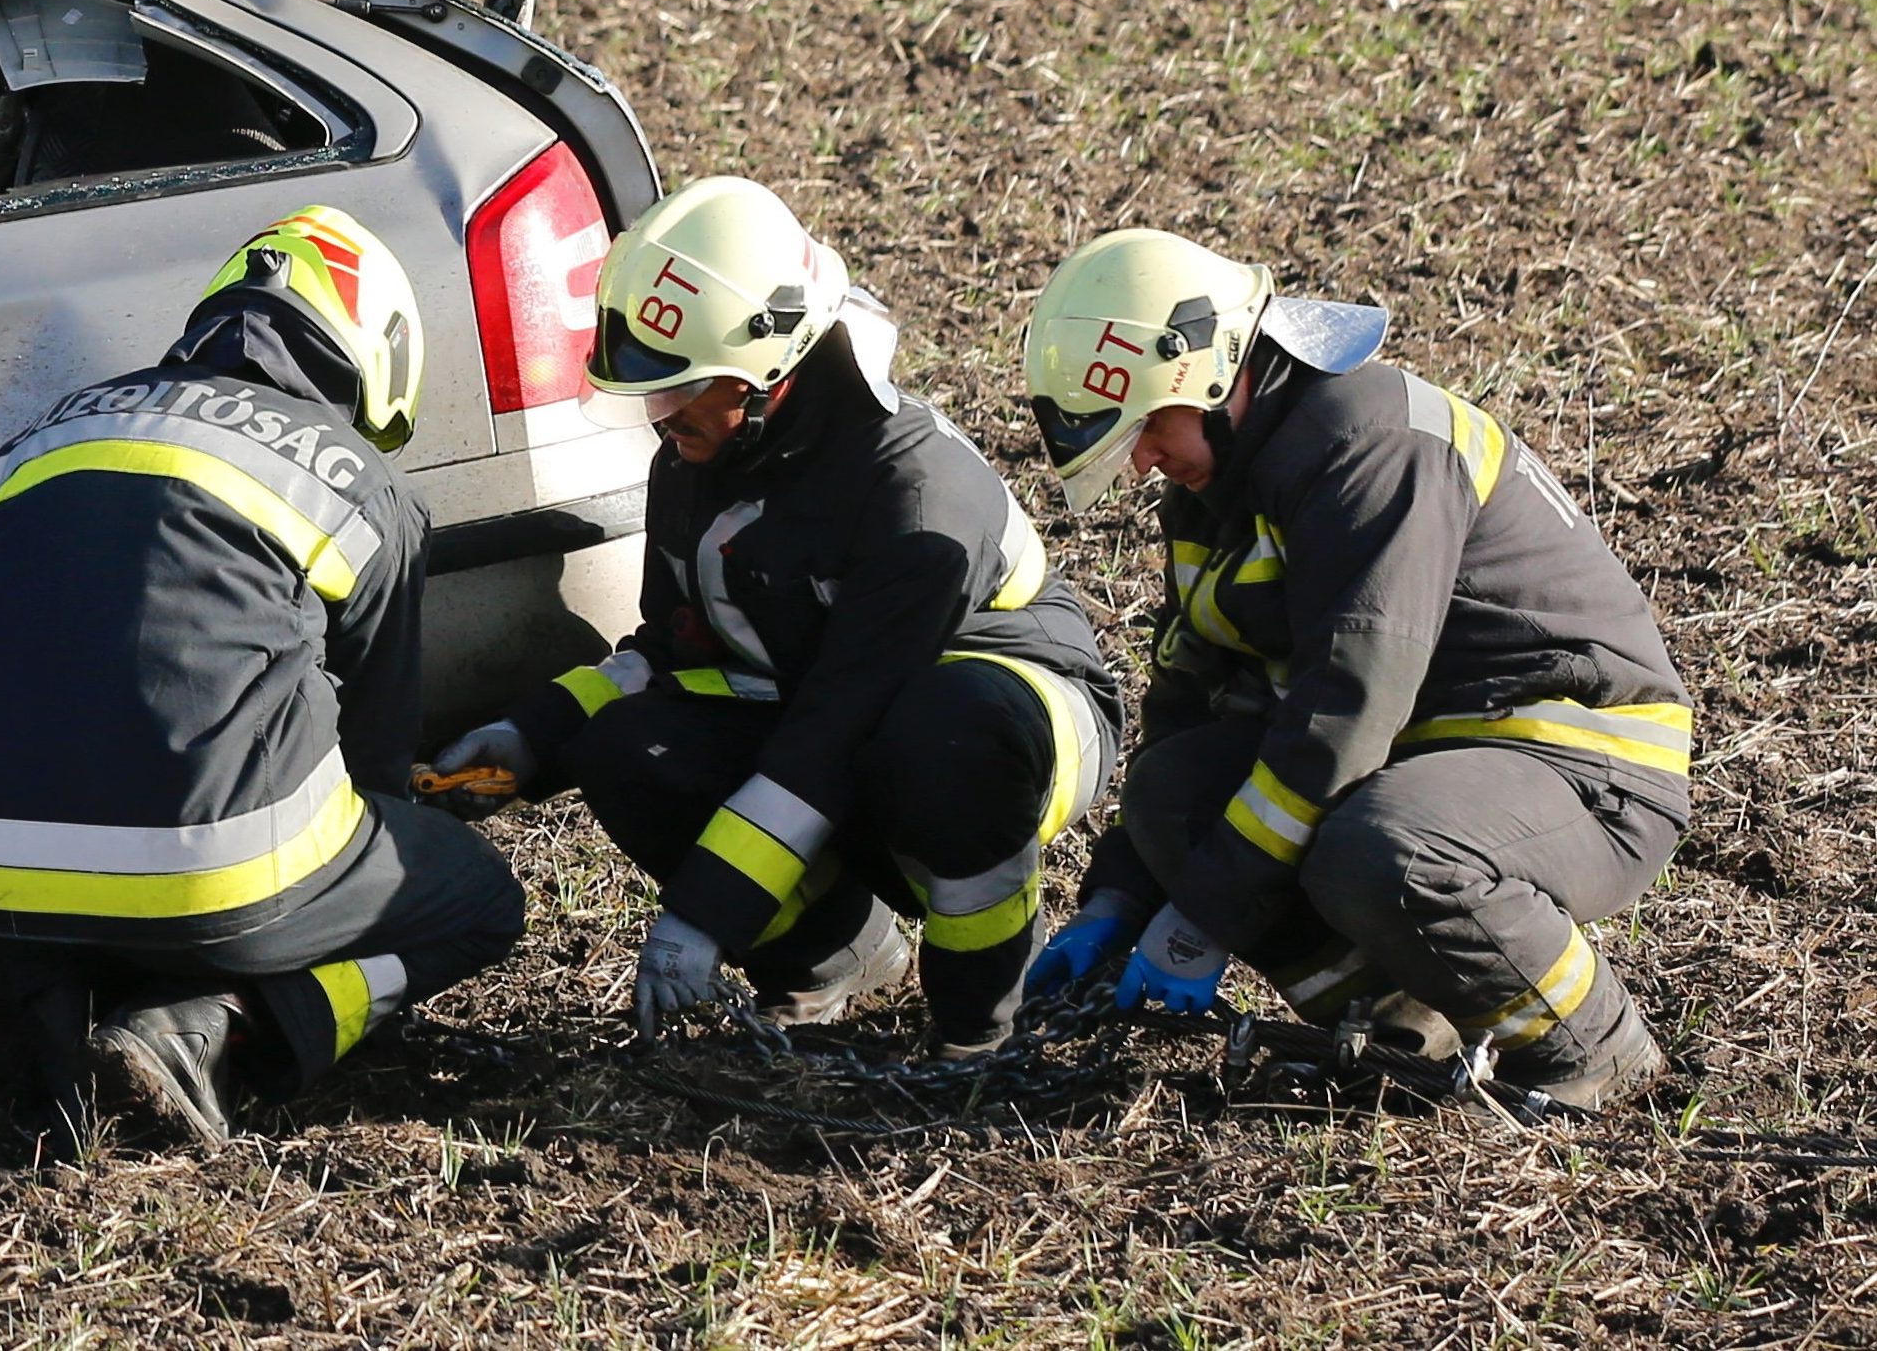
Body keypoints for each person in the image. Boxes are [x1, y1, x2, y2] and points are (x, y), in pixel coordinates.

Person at [423, 178, 1126, 1053]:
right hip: (842, 725)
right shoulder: (700, 453)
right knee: (626, 750)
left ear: (770, 369)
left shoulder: (912, 495)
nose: (657, 413)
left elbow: (840, 724)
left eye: (678, 387)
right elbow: (670, 654)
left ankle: (980, 1026)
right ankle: (835, 959)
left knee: (944, 741)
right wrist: (532, 734)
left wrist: (701, 916)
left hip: (998, 725)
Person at [1013, 231, 1691, 1112]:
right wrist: (1119, 898)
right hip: (1412, 764)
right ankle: (1401, 1024)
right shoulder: (1212, 491)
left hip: (1579, 762)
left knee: (1387, 849)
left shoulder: (1373, 447)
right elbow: (1191, 707)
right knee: (1176, 792)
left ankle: (1592, 1048)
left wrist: (1204, 918)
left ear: (1211, 376)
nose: (1141, 459)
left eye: (1146, 424)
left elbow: (1347, 709)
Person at [0, 205, 528, 1148]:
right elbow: (372, 750)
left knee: (77, 850)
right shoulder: (359, 481)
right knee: (478, 901)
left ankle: (49, 1017)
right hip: (214, 875)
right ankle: (216, 1031)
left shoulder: (39, 438)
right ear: (376, 357)